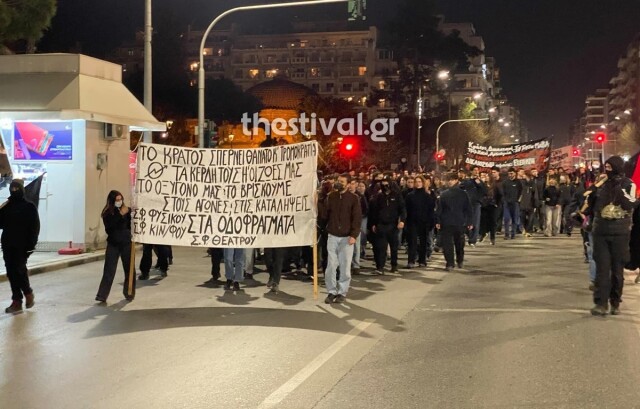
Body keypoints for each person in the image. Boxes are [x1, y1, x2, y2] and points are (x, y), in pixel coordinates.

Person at [586, 156, 638, 316]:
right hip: (600, 231)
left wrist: (619, 189)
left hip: (620, 232)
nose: (607, 169)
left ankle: (615, 301)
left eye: (610, 166)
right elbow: (591, 205)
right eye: (605, 166)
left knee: (617, 270)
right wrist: (593, 193)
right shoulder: (601, 184)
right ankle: (600, 303)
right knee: (602, 269)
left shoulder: (628, 184)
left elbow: (632, 203)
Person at [0, 179, 40, 313]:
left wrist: (31, 245)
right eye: (12, 189)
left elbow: (35, 227)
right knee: (11, 272)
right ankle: (17, 300)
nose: (14, 191)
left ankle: (28, 293)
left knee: (19, 270)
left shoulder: (29, 207)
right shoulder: (7, 206)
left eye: (17, 189)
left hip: (22, 245)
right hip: (7, 244)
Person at [321, 174, 362, 304]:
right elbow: (324, 215)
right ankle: (331, 291)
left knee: (344, 267)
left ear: (349, 184)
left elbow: (357, 218)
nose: (339, 183)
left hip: (346, 238)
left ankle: (342, 292)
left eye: (342, 182)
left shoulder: (353, 199)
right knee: (331, 265)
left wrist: (353, 235)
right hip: (332, 235)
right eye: (338, 181)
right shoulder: (331, 197)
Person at [96, 190, 136, 303]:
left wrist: (131, 215)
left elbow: (131, 225)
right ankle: (102, 295)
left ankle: (129, 292)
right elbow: (109, 228)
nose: (119, 201)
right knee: (109, 269)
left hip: (127, 243)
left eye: (120, 199)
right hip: (113, 244)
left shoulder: (126, 210)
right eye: (117, 200)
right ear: (112, 201)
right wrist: (120, 214)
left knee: (129, 269)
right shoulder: (107, 213)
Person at [368, 176, 406, 274]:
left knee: (394, 247)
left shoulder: (397, 195)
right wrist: (374, 224)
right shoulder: (379, 196)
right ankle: (380, 267)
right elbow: (375, 211)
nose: (385, 186)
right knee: (381, 247)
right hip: (381, 225)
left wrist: (402, 220)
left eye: (386, 183)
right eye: (383, 184)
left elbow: (402, 209)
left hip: (393, 225)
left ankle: (394, 265)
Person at [435, 173, 473, 271]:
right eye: (448, 180)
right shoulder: (444, 194)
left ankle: (459, 260)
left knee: (459, 243)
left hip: (459, 222)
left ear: (456, 180)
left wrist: (469, 222)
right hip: (447, 222)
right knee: (447, 244)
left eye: (452, 180)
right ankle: (450, 263)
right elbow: (440, 209)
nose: (450, 182)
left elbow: (468, 208)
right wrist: (438, 221)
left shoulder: (463, 194)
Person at [405, 175, 436, 268]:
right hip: (412, 222)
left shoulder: (427, 196)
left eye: (419, 182)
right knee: (412, 242)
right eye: (416, 182)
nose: (418, 183)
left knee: (423, 242)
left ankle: (422, 261)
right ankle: (411, 261)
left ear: (423, 183)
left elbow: (431, 210)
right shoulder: (410, 196)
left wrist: (431, 223)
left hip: (424, 222)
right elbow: (406, 209)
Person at [501, 168, 523, 240]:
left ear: (515, 174)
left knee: (514, 219)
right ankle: (506, 234)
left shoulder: (518, 182)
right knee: (506, 218)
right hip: (507, 203)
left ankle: (513, 234)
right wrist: (504, 200)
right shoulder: (505, 182)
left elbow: (521, 191)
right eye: (509, 174)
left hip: (515, 203)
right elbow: (503, 192)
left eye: (512, 173)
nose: (510, 175)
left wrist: (518, 200)